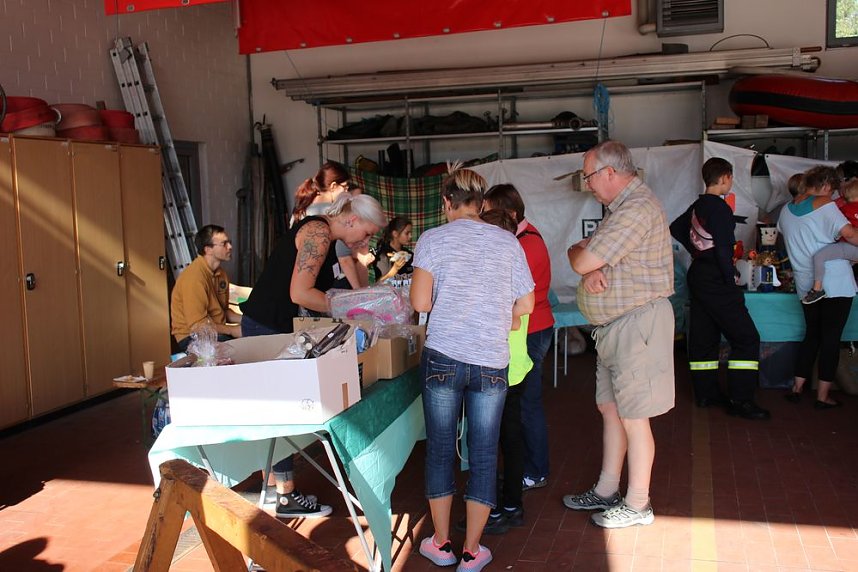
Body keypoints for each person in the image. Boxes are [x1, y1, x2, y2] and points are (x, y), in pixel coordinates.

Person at [411, 163, 534, 571]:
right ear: (481, 205)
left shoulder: (433, 239)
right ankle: (472, 552)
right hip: (490, 363)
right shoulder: (507, 243)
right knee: (483, 453)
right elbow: (526, 305)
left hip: (443, 356)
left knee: (441, 451)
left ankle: (442, 543)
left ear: (446, 202)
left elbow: (420, 303)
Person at [240, 193, 386, 517]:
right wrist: (347, 308)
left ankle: (280, 488)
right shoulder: (319, 234)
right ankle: (284, 494)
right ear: (351, 220)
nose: (366, 241)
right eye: (367, 232)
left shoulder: (326, 237)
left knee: (283, 409)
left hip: (276, 324)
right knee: (281, 410)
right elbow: (300, 292)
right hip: (267, 326)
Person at [564, 140, 675, 529]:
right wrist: (584, 260)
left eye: (589, 175)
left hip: (635, 325)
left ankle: (638, 504)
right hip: (615, 328)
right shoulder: (620, 210)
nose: (588, 183)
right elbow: (579, 252)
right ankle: (608, 489)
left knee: (634, 417)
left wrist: (585, 261)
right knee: (611, 410)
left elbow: (583, 257)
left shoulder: (635, 209)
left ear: (610, 172)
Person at [670, 158, 770, 420]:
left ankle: (706, 394)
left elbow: (675, 228)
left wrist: (698, 249)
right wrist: (731, 281)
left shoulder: (699, 205)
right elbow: (725, 251)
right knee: (747, 338)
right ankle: (742, 400)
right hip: (717, 277)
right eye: (731, 178)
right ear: (725, 177)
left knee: (704, 338)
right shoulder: (721, 209)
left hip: (699, 276)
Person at [482, 183, 554, 492]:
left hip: (530, 330)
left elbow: (515, 297)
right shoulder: (523, 237)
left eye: (488, 215)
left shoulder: (524, 245)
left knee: (526, 405)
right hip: (530, 327)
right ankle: (524, 467)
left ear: (509, 215)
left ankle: (535, 470)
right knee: (522, 405)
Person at [778, 165, 858, 409]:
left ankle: (797, 387)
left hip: (805, 283)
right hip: (835, 281)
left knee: (811, 335)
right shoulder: (826, 205)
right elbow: (851, 234)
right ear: (825, 186)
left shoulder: (786, 210)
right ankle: (823, 396)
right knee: (831, 338)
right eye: (833, 190)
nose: (834, 195)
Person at [170, 224, 242, 352]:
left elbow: (223, 311)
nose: (230, 247)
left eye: (229, 242)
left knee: (252, 338)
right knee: (241, 351)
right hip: (192, 337)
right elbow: (198, 326)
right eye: (224, 243)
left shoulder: (221, 274)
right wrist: (232, 330)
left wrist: (247, 322)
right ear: (208, 249)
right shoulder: (194, 277)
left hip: (216, 332)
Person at [803, 177, 858, 304]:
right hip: (851, 249)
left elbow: (834, 228)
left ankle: (817, 289)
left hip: (848, 247)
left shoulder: (842, 209)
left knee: (819, 256)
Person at [373, 216, 414, 282]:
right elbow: (379, 283)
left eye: (411, 233)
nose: (410, 236)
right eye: (407, 233)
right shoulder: (382, 255)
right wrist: (394, 269)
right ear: (395, 234)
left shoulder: (409, 255)